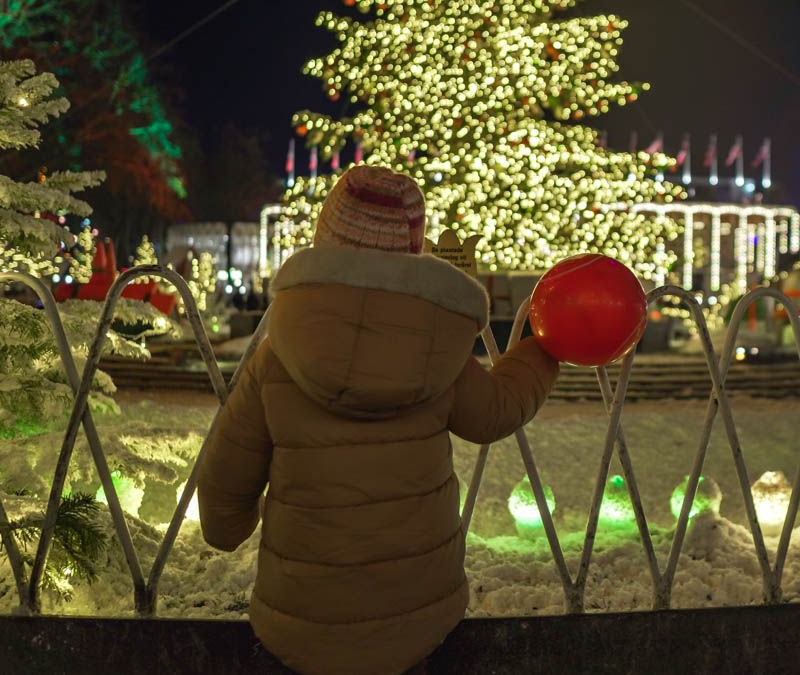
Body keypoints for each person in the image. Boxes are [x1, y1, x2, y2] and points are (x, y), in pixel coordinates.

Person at [197, 165, 560, 675]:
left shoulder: (279, 352)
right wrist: (542, 353)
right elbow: (494, 411)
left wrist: (226, 526)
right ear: (413, 250)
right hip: (416, 614)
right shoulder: (438, 345)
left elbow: (226, 472)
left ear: (326, 238)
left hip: (303, 615)